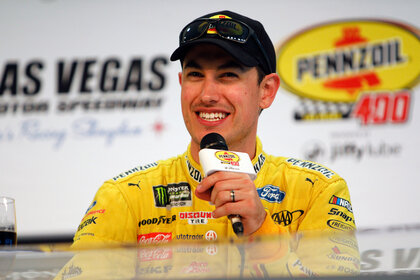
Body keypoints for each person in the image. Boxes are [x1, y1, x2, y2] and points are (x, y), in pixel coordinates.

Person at [72, 10, 356, 248]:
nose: (207, 94)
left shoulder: (318, 191)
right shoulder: (126, 196)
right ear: (182, 84)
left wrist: (261, 228)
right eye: (195, 75)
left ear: (266, 91)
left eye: (228, 75)